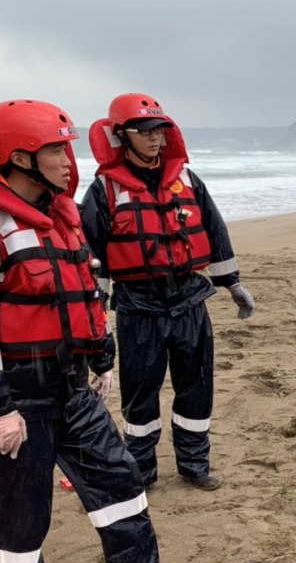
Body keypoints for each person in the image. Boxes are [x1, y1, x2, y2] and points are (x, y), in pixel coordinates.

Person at [0, 99, 196, 563]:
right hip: (12, 391)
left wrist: (101, 357)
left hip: (70, 383)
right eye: (55, 149)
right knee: (17, 509)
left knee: (118, 478)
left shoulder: (59, 214)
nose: (69, 160)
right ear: (19, 157)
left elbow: (84, 293)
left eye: (69, 146)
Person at [80, 93, 255, 491]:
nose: (154, 139)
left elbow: (214, 229)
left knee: (197, 385)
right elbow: (92, 255)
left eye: (159, 130)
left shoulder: (188, 180)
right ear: (123, 136)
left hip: (190, 298)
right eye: (144, 132)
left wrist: (233, 283)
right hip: (138, 304)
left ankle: (194, 464)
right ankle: (141, 472)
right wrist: (96, 312)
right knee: (141, 392)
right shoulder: (104, 190)